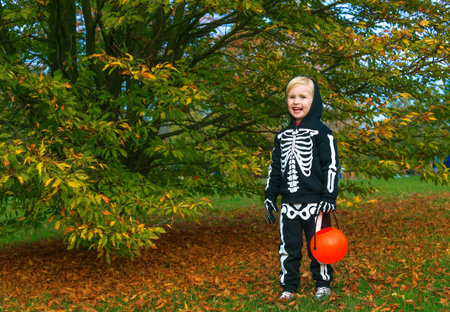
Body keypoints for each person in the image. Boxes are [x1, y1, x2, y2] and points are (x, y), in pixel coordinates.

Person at [264, 75, 339, 301]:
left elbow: (331, 165)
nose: (297, 102)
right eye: (292, 97)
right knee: (289, 248)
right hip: (289, 204)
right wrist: (270, 196)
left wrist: (329, 196)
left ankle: (323, 283)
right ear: (287, 101)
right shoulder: (281, 136)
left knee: (320, 247)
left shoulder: (322, 132)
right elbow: (275, 168)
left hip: (317, 203)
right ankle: (289, 285)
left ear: (314, 101)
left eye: (303, 97)